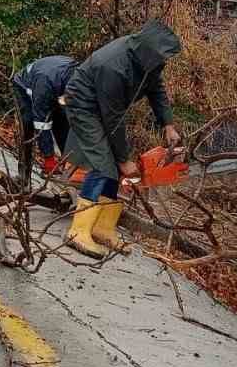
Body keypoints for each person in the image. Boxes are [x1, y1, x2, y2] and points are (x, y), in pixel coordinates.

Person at [61, 19, 183, 257]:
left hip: (105, 110)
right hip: (84, 106)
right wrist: (124, 159)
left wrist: (168, 124)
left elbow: (156, 90)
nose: (165, 62)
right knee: (103, 166)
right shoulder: (114, 66)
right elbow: (113, 119)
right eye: (162, 57)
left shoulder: (149, 64)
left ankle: (103, 229)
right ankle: (78, 232)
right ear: (148, 51)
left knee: (112, 170)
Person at [11, 55, 76, 183]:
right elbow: (41, 124)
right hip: (25, 88)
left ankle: (68, 164)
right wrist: (49, 158)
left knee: (62, 122)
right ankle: (24, 176)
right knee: (28, 125)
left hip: (55, 86)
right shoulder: (45, 83)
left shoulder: (80, 74)